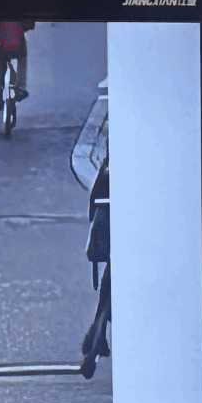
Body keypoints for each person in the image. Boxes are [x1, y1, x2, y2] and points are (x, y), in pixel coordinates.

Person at [80, 156, 111, 379]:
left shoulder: (108, 171)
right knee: (108, 291)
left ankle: (97, 336)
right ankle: (96, 337)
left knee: (108, 290)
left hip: (111, 241)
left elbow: (93, 207)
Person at [0, 20, 34, 111]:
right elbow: (30, 25)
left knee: (1, 68)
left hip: (4, 45)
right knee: (22, 57)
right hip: (18, 44)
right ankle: (20, 86)